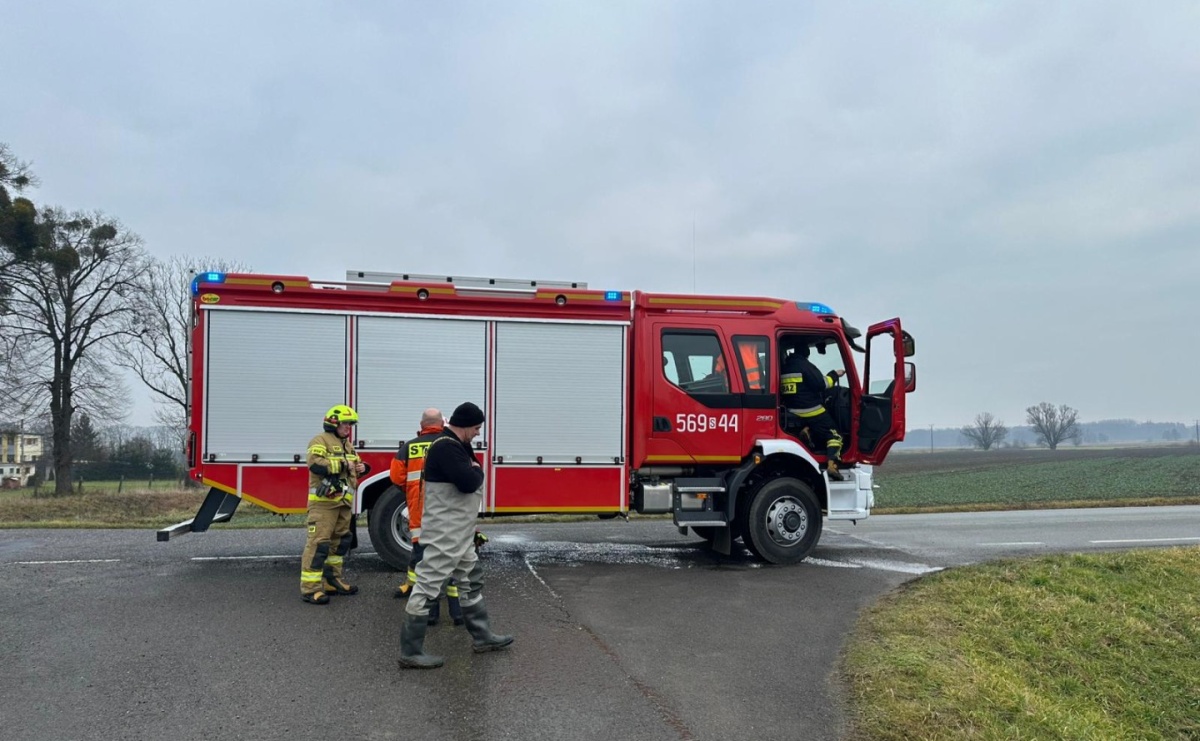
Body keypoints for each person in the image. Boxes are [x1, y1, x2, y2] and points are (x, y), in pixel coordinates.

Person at [399, 401, 513, 669]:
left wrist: (474, 469)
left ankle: (483, 637)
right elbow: (469, 481)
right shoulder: (446, 447)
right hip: (445, 531)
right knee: (427, 584)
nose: (477, 433)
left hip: (459, 531)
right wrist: (477, 471)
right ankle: (410, 651)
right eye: (476, 428)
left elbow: (470, 474)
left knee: (470, 578)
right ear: (463, 426)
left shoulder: (456, 445)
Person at [390, 407, 464, 627]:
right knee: (453, 565)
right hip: (447, 516)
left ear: (421, 427)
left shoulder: (409, 447)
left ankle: (430, 616)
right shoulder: (450, 445)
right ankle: (458, 614)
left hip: (420, 517)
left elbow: (396, 476)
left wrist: (412, 492)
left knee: (426, 566)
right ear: (442, 425)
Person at [301, 404, 370, 604]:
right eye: (345, 424)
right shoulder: (320, 440)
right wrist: (343, 464)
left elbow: (354, 467)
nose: (349, 428)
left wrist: (361, 467)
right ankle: (310, 589)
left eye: (350, 424)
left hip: (343, 504)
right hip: (324, 505)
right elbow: (315, 464)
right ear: (333, 423)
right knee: (319, 544)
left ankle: (333, 581)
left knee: (339, 544)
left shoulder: (347, 445)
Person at [780, 342, 846, 480]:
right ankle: (832, 465)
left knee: (817, 426)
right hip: (811, 410)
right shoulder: (804, 365)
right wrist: (835, 374)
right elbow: (821, 384)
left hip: (792, 410)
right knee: (835, 436)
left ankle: (808, 429)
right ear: (806, 352)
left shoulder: (785, 367)